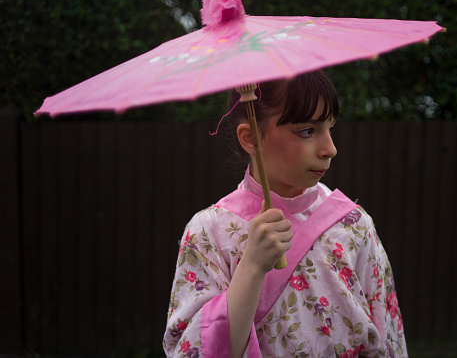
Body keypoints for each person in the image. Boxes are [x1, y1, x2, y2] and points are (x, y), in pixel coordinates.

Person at [163, 70, 408, 358]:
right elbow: (193, 351)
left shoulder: (354, 224)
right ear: (251, 137)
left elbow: (389, 336)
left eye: (331, 128)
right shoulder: (210, 232)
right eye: (307, 131)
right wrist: (252, 265)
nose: (330, 149)